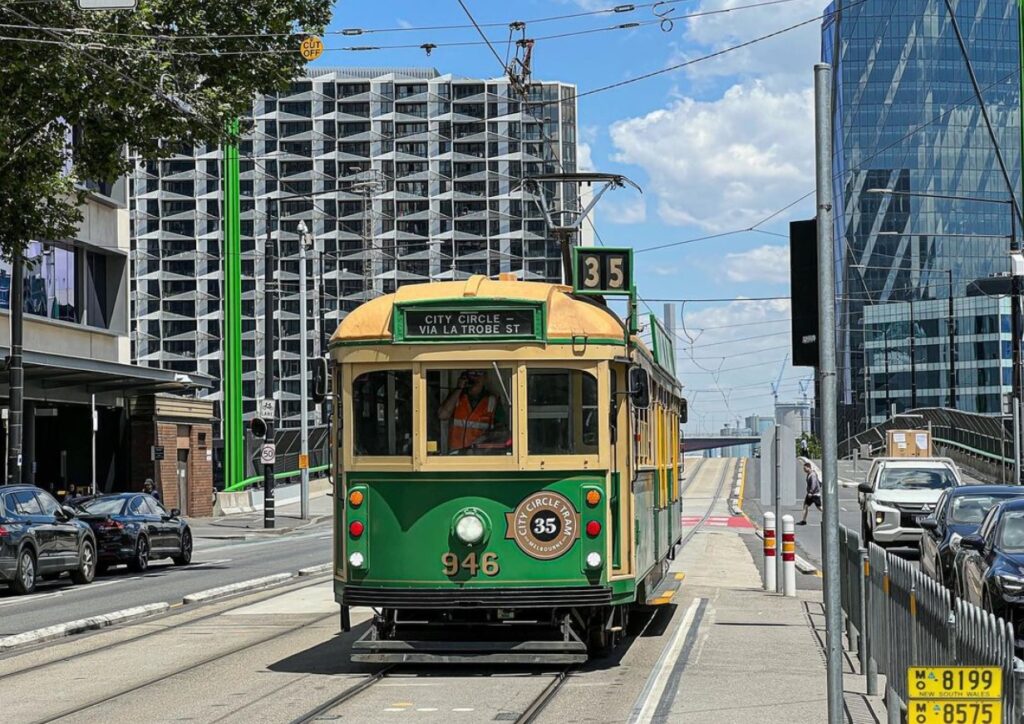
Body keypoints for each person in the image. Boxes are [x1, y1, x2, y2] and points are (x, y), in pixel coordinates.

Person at [438, 370, 507, 452]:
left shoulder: (492, 400)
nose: (475, 377)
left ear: (485, 378)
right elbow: (442, 415)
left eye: (479, 373)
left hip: (480, 455)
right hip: (456, 454)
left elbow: (502, 430)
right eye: (472, 374)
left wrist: (485, 438)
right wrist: (459, 388)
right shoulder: (456, 397)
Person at [797, 461, 822, 525]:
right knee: (805, 506)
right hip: (811, 494)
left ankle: (828, 516)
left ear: (809, 467)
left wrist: (810, 492)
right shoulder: (810, 474)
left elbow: (814, 484)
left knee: (819, 507)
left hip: (814, 494)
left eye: (805, 468)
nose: (804, 470)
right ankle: (804, 520)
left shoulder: (812, 475)